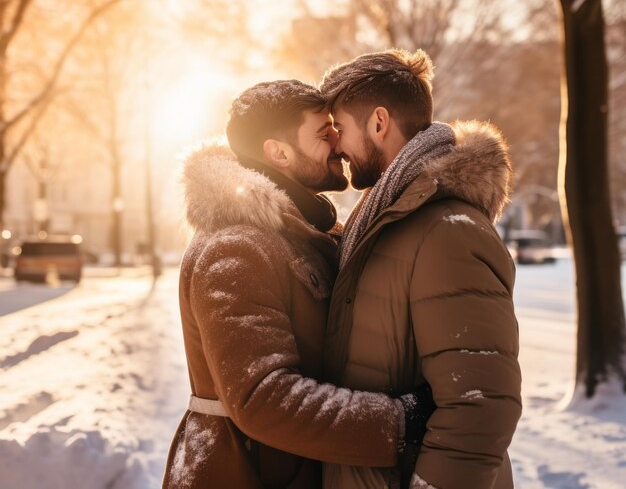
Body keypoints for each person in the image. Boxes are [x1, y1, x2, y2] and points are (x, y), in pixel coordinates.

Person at [162, 79, 435, 489]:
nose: (339, 145)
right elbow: (263, 398)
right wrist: (399, 421)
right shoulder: (237, 247)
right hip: (245, 474)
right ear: (279, 153)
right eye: (325, 134)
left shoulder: (301, 234)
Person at [319, 50, 522, 489]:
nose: (335, 145)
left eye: (340, 128)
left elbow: (479, 407)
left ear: (378, 122)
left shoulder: (448, 229)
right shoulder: (384, 219)